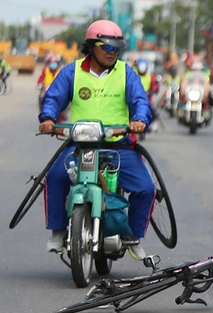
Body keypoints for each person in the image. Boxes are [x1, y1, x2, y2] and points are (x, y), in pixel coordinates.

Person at [38, 19, 154, 261]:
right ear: (92, 46)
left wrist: (140, 119)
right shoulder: (72, 71)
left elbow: (140, 102)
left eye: (116, 48)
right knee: (56, 176)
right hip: (80, 146)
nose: (112, 53)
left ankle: (132, 235)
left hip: (118, 146)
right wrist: (48, 117)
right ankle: (58, 230)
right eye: (107, 47)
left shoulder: (126, 73)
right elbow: (53, 98)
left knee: (146, 188)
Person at [135, 59, 160, 133]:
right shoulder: (134, 75)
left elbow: (155, 86)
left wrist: (153, 90)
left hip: (147, 98)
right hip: (135, 98)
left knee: (153, 110)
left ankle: (154, 123)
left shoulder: (150, 77)